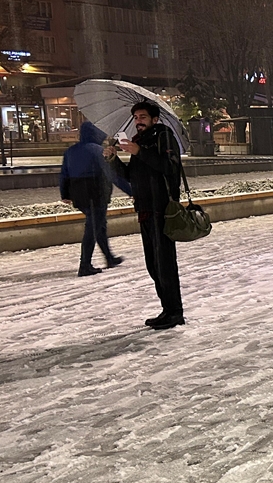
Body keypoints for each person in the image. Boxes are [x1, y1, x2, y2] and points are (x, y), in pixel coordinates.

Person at [104, 100, 186, 330]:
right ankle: (167, 309)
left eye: (143, 117)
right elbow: (131, 176)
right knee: (153, 264)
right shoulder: (139, 141)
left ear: (154, 119)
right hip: (145, 209)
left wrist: (140, 152)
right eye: (136, 118)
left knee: (165, 263)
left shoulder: (164, 137)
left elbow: (170, 167)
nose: (138, 121)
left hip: (163, 209)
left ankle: (175, 312)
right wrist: (113, 159)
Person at [60, 121, 130, 276]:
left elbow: (64, 174)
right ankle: (85, 265)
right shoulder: (99, 151)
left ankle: (109, 257)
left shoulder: (70, 151)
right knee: (92, 228)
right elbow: (113, 175)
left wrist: (65, 194)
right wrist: (131, 191)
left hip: (79, 195)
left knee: (99, 225)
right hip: (96, 194)